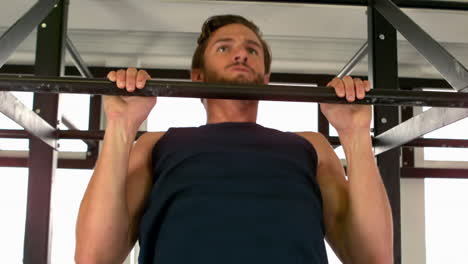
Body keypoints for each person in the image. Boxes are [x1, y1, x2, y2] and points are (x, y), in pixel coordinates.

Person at [75, 15, 393, 264]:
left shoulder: (310, 146)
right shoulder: (156, 145)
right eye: (224, 47)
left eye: (252, 50)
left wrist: (355, 135)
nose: (241, 53)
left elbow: (373, 258)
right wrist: (120, 125)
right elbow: (94, 257)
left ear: (266, 79)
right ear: (197, 75)